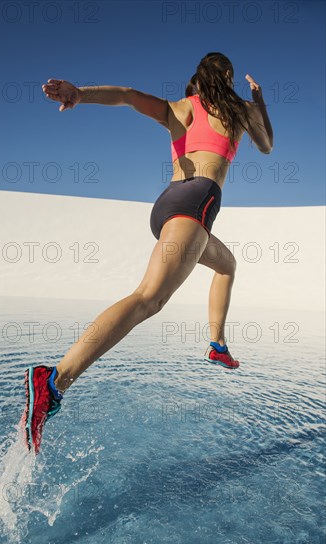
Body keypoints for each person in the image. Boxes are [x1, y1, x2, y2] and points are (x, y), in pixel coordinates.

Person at [21, 52, 273, 453]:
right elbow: (267, 146)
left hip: (169, 204)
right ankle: (53, 381)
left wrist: (79, 94)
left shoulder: (178, 109)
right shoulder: (239, 109)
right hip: (198, 200)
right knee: (148, 299)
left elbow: (126, 95)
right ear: (227, 77)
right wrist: (258, 101)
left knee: (226, 265)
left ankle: (217, 345)